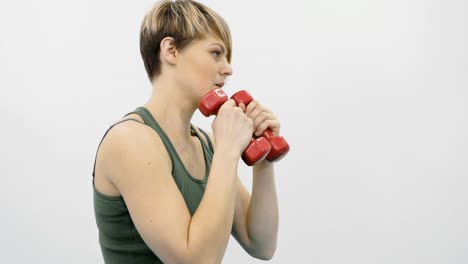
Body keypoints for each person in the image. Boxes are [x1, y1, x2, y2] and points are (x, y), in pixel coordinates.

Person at [92, 0, 280, 263]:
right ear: (171, 50)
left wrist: (263, 160)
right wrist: (228, 150)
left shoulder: (208, 144)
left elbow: (261, 244)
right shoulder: (131, 142)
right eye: (216, 53)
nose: (228, 68)